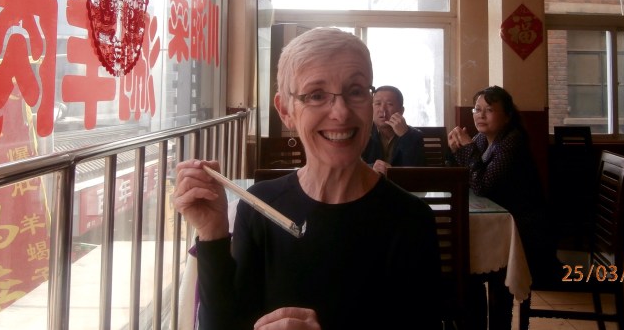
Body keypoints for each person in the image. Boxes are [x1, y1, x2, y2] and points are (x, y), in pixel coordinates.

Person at [174, 28, 442, 330]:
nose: (341, 113)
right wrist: (212, 232)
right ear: (285, 110)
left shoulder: (411, 220)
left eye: (356, 91)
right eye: (316, 95)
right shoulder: (260, 207)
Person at [447, 85, 559, 329]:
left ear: (507, 115)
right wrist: (455, 152)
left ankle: (496, 324)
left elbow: (482, 185)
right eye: (477, 109)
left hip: (528, 236)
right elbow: (468, 177)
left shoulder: (512, 141)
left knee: (473, 268)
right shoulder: (482, 139)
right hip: (506, 229)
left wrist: (467, 149)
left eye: (489, 110)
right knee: (467, 266)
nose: (480, 115)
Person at [361, 85, 426, 173]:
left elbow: (418, 172)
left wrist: (405, 137)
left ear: (401, 111)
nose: (382, 109)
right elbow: (351, 167)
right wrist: (371, 168)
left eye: (390, 104)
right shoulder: (362, 133)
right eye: (378, 104)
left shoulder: (415, 136)